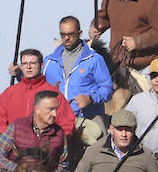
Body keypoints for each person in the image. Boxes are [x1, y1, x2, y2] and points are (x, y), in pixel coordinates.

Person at [0, 90, 73, 172]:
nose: (55, 114)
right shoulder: (17, 127)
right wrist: (17, 170)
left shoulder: (59, 134)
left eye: (56, 109)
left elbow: (64, 164)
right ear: (37, 109)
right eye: (50, 109)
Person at [43, 15, 112, 143]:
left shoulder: (94, 59)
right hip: (56, 121)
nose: (66, 38)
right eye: (63, 34)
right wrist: (19, 74)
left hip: (89, 118)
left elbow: (107, 89)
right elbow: (37, 84)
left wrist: (91, 98)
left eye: (71, 34)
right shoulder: (49, 61)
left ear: (80, 33)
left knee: (98, 154)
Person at [0, 49, 77, 136]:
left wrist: (54, 142)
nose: (28, 67)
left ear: (41, 66)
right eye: (24, 63)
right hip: (14, 145)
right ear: (21, 67)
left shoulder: (54, 94)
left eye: (33, 63)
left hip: (44, 145)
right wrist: (7, 142)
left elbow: (67, 124)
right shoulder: (9, 93)